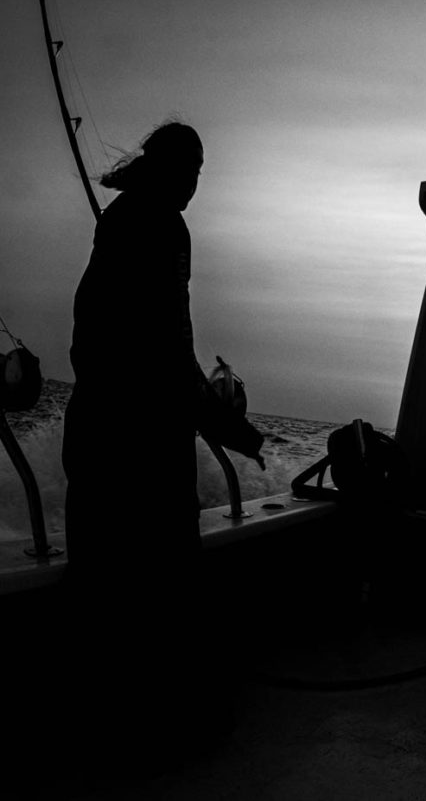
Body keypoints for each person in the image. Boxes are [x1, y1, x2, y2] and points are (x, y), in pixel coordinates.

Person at [61, 121, 257, 772]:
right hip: (139, 449)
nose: (195, 181)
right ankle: (158, 736)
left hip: (94, 435)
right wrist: (233, 428)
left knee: (106, 593)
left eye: (201, 170)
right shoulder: (164, 229)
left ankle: (105, 735)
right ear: (170, 169)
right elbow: (172, 354)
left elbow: (92, 342)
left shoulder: (119, 219)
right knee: (159, 592)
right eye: (191, 168)